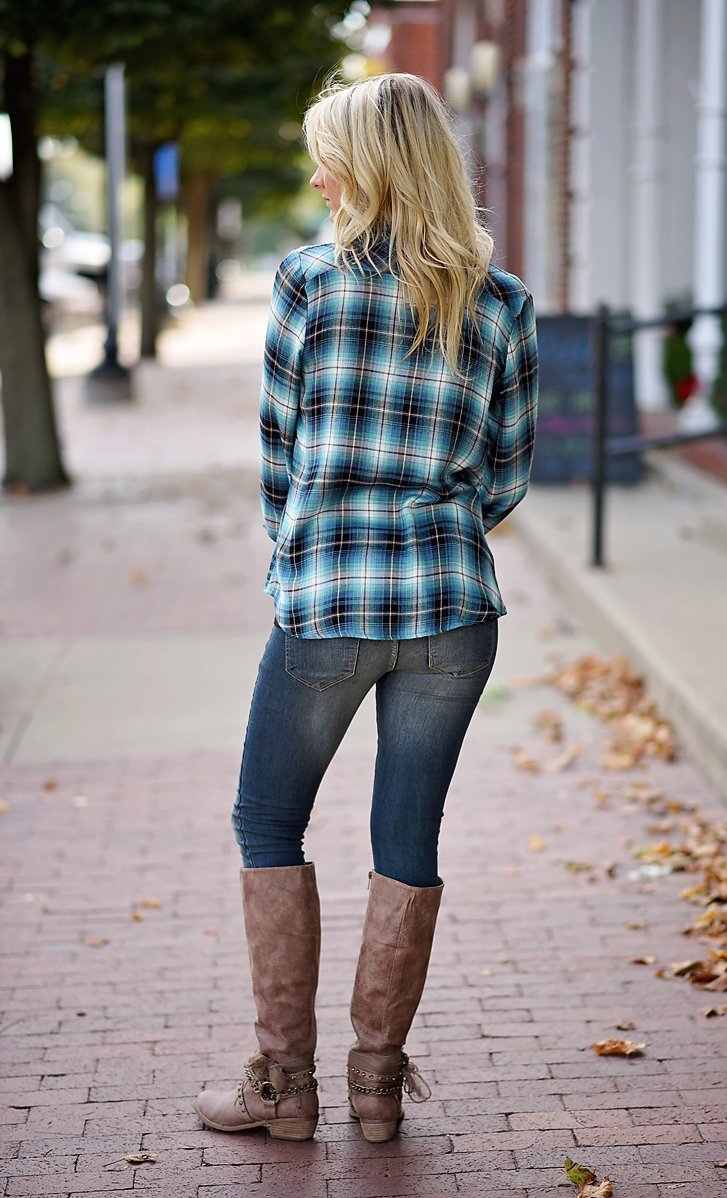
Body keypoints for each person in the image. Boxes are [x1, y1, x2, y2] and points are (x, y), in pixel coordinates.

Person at [194, 71, 538, 1145]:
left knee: (266, 821)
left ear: (367, 168)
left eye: (325, 154)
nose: (313, 176)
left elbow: (276, 457)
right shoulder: (503, 301)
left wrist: (317, 549)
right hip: (451, 606)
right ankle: (375, 1088)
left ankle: (282, 1087)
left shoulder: (306, 282)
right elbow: (507, 477)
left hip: (328, 596)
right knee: (406, 834)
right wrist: (430, 527)